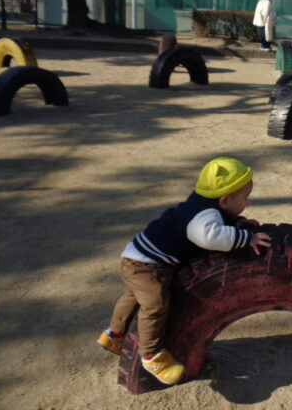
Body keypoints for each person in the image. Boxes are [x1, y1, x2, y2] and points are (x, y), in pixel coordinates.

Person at [97, 157, 272, 385]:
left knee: (132, 297)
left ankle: (114, 335)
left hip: (135, 258)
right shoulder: (205, 216)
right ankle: (151, 356)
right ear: (224, 200)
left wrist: (236, 223)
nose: (247, 202)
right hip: (147, 267)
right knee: (155, 305)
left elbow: (218, 222)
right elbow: (210, 236)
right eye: (246, 197)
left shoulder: (201, 204)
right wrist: (246, 238)